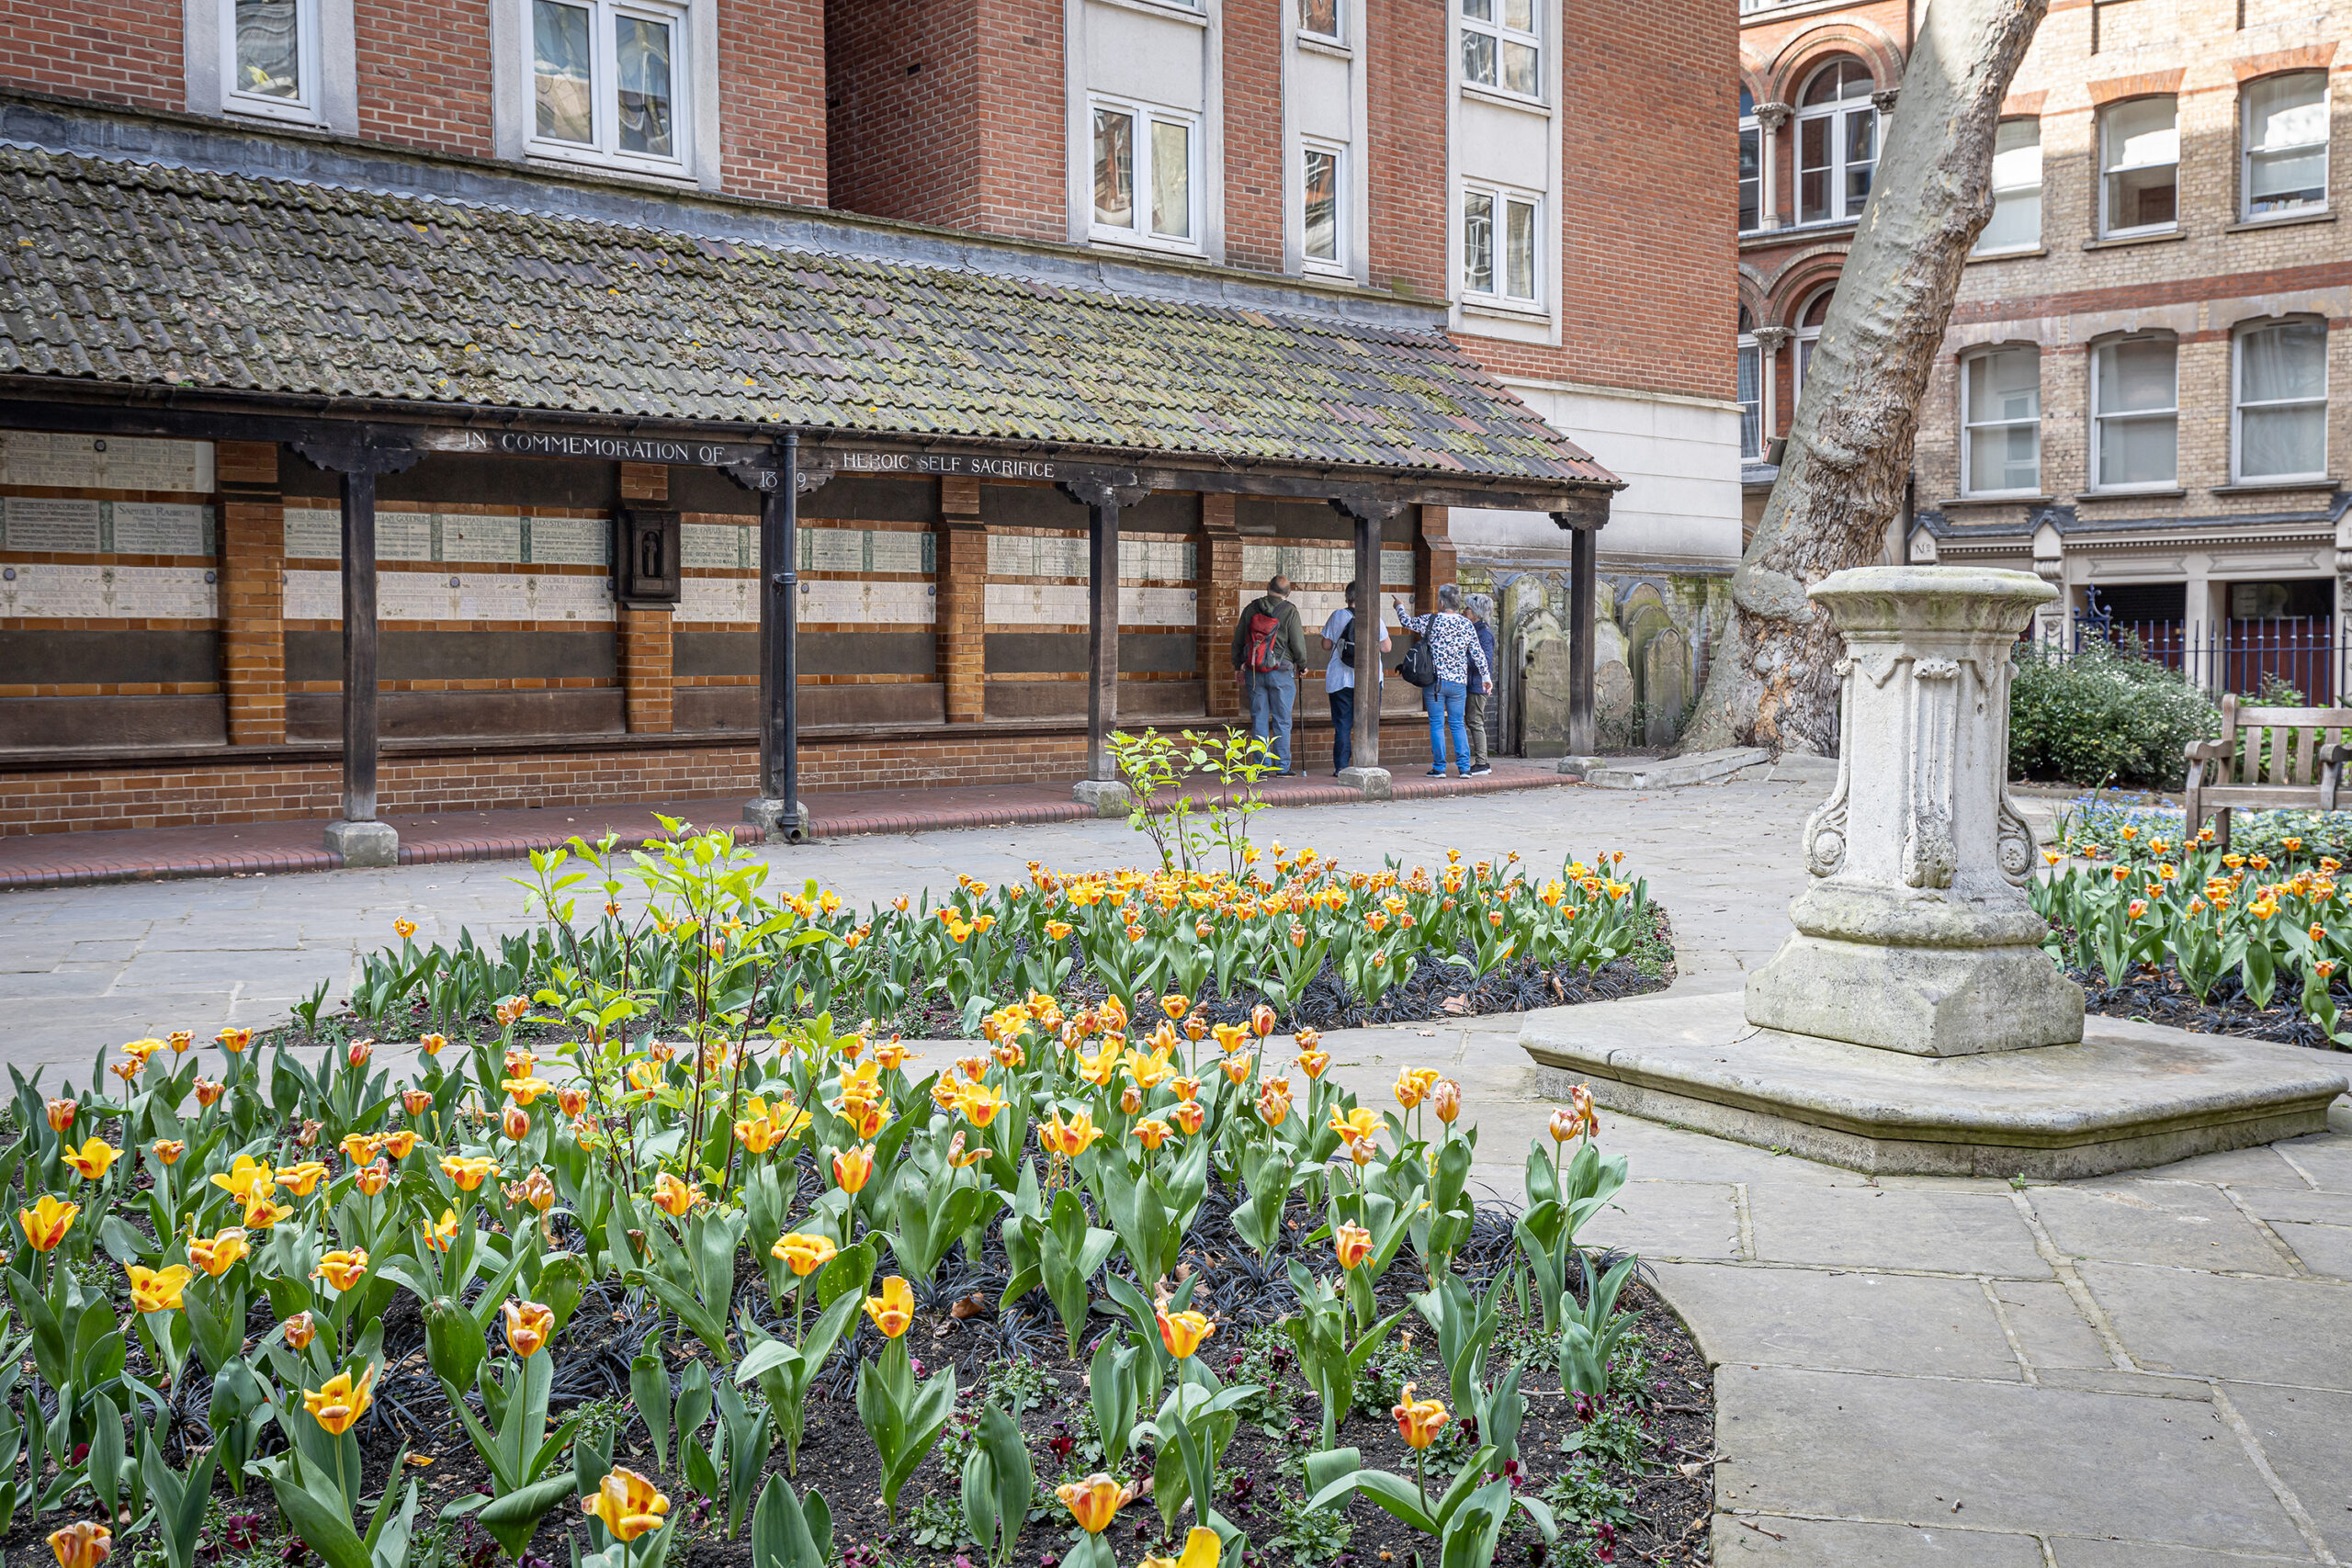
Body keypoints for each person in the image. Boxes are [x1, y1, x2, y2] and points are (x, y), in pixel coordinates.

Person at [1392, 583, 1492, 779]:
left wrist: (1399, 606)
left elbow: (1407, 622)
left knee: (1437, 723)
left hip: (1435, 683)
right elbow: (1479, 654)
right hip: (1458, 684)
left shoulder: (1432, 620)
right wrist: (1486, 678)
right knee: (1457, 724)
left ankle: (1439, 767)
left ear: (1441, 602)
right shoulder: (1467, 625)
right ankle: (1464, 768)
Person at [1231, 574, 1309, 774]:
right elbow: (1298, 643)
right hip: (1282, 672)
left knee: (1259, 718)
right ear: (1288, 592)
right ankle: (1282, 766)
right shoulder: (1290, 611)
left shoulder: (1251, 609)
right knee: (1282, 720)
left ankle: (1261, 765)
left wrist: (1238, 665)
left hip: (1255, 671)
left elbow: (1239, 640)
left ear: (1268, 587)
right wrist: (1302, 664)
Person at [1319, 580, 1391, 775]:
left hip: (1340, 680)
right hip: (1370, 680)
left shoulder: (1337, 616)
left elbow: (1326, 645)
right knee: (1368, 722)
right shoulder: (1374, 617)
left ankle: (1341, 766)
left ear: (1348, 597)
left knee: (1343, 725)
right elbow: (1387, 647)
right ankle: (1367, 763)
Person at [1463, 593, 1497, 777]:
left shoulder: (1483, 633)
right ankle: (1481, 761)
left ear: (1476, 613)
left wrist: (1461, 658)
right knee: (1473, 721)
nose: (1464, 611)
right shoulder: (1476, 630)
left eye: (1467, 609)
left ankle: (1482, 762)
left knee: (1475, 721)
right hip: (1473, 683)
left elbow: (1485, 660)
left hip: (1477, 685)